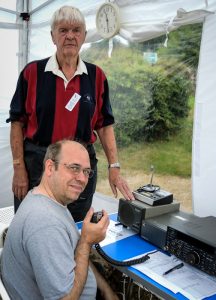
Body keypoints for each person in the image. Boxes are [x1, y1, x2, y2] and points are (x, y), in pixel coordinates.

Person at [6, 5, 134, 222]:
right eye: (63, 30)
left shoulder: (96, 76)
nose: (70, 36)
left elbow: (104, 125)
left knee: (74, 228)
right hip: (38, 164)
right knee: (32, 224)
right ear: (53, 36)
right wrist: (19, 168)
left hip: (80, 166)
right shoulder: (32, 73)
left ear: (84, 36)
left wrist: (114, 166)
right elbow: (17, 123)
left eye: (76, 30)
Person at [1, 140, 119, 300]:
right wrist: (86, 242)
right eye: (74, 168)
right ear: (50, 167)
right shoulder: (45, 222)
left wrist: (107, 291)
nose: (83, 179)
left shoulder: (48, 201)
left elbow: (73, 253)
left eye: (86, 171)